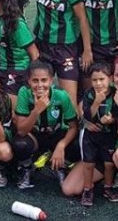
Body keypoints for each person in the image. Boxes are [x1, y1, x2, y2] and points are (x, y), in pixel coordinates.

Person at [14, 60, 79, 189]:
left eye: (44, 80)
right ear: (28, 81)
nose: (39, 85)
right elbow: (21, 131)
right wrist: (37, 110)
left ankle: (61, 167)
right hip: (35, 136)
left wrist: (61, 145)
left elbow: (73, 127)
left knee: (78, 144)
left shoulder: (61, 95)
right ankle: (27, 168)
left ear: (51, 80)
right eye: (35, 80)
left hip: (56, 135)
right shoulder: (24, 92)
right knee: (19, 144)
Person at [72, 61, 118, 207]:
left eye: (102, 79)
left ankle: (108, 187)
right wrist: (96, 103)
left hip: (108, 136)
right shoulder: (89, 94)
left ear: (110, 79)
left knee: (109, 164)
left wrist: (111, 120)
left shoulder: (115, 94)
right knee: (88, 164)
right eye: (95, 80)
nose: (98, 83)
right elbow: (86, 115)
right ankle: (88, 190)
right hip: (90, 136)